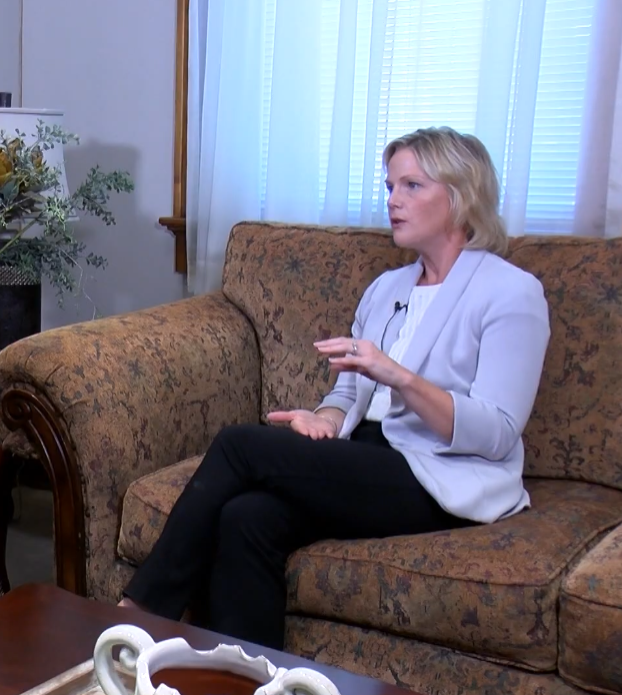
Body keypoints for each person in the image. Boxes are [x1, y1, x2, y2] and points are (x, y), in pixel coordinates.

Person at [119, 126, 551, 650]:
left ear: (461, 198)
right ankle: (246, 682)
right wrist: (325, 419)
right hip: (370, 457)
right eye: (390, 186)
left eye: (411, 186)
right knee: (246, 518)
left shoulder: (511, 292)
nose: (393, 201)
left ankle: (137, 617)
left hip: (443, 472)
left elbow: (498, 434)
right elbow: (348, 394)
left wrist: (398, 377)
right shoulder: (387, 288)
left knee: (239, 443)